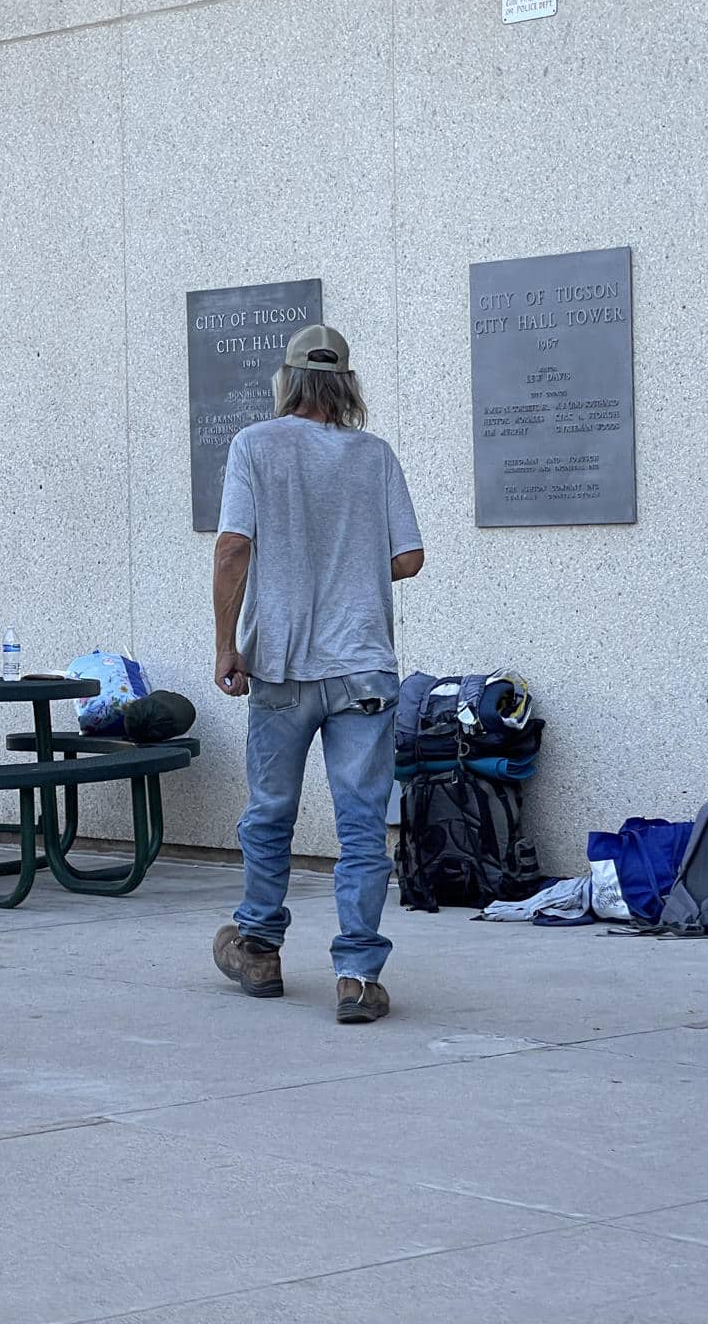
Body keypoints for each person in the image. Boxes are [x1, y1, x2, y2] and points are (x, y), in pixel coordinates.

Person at [210, 323, 425, 1024]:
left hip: (282, 663)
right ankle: (358, 975)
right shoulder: (375, 455)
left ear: (288, 381)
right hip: (363, 664)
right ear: (347, 386)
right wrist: (351, 552)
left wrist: (225, 644)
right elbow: (408, 559)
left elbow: (234, 547)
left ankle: (260, 949)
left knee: (270, 812)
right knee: (362, 826)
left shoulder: (254, 445)